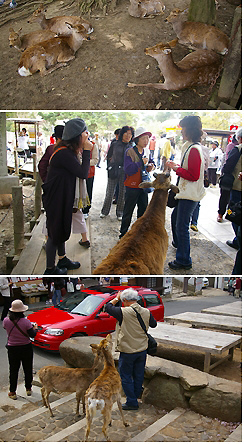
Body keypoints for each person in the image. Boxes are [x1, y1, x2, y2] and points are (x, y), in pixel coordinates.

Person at [42, 118, 92, 275]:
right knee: (54, 234)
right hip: (56, 199)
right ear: (77, 136)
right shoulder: (64, 153)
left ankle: (62, 258)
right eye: (85, 133)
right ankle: (50, 269)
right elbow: (83, 173)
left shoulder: (66, 150)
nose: (87, 135)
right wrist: (87, 150)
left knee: (61, 229)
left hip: (62, 196)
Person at [104, 288, 157, 411]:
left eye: (122, 301)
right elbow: (154, 324)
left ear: (125, 300)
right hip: (142, 349)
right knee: (138, 375)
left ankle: (132, 401)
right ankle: (135, 395)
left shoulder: (124, 312)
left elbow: (108, 307)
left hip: (128, 351)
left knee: (126, 376)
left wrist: (116, 298)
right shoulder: (146, 311)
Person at [166, 115, 205, 270]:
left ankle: (184, 260)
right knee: (177, 219)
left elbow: (193, 175)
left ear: (190, 130)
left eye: (183, 129)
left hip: (189, 194)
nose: (181, 133)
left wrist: (176, 169)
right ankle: (179, 244)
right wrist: (178, 167)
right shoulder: (191, 146)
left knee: (182, 226)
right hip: (187, 193)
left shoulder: (194, 149)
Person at [119, 127, 155, 238]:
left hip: (144, 186)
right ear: (137, 139)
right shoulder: (129, 151)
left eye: (147, 138)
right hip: (132, 186)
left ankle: (139, 234)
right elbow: (128, 169)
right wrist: (140, 163)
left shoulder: (147, 151)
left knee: (143, 211)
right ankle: (123, 234)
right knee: (128, 211)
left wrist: (151, 166)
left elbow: (151, 162)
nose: (146, 141)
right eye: (143, 138)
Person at [3, 299, 36, 400]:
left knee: (13, 370)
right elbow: (32, 334)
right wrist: (35, 328)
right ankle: (28, 388)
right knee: (28, 368)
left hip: (12, 348)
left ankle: (12, 392)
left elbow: (6, 328)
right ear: (22, 311)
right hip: (26, 347)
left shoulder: (6, 320)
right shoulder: (26, 322)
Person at [100, 126, 134, 221]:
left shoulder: (131, 146)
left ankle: (120, 212)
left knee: (122, 193)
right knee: (110, 192)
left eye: (130, 134)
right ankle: (104, 211)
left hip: (125, 172)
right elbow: (109, 156)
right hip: (114, 170)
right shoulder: (114, 144)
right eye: (126, 133)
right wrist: (109, 167)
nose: (128, 135)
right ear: (122, 134)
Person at [222, 128, 242, 250]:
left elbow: (228, 166)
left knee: (233, 212)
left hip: (236, 187)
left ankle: (238, 239)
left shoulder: (238, 149)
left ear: (239, 138)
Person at [218, 133, 239, 222]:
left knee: (231, 201)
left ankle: (229, 215)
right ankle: (222, 213)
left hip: (234, 181)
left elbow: (227, 165)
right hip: (232, 179)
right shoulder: (233, 147)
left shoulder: (237, 148)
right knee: (226, 198)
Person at [81, 136, 100, 220]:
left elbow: (95, 160)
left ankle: (86, 210)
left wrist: (83, 162)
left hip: (89, 173)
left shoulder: (93, 145)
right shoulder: (75, 144)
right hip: (77, 172)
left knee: (88, 191)